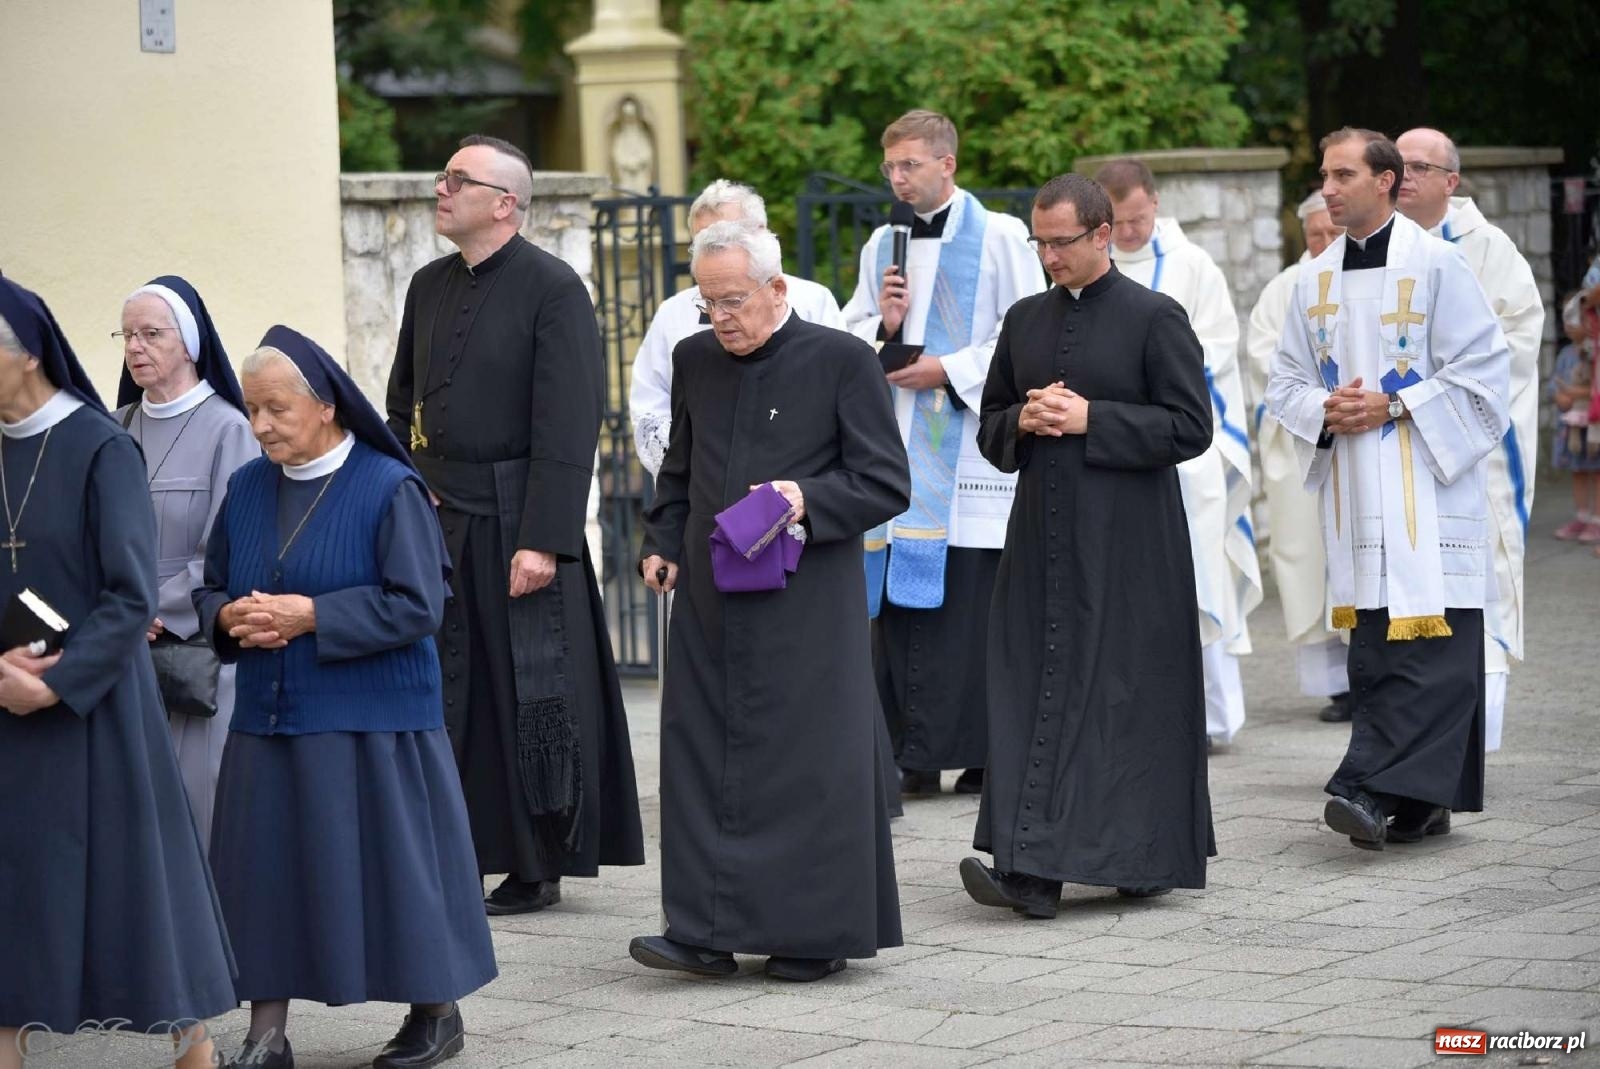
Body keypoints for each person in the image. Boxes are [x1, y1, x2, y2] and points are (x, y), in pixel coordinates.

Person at [198, 325, 497, 1069]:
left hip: (374, 717)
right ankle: (265, 1034)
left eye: (276, 408)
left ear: (326, 405)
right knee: (265, 874)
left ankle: (435, 1010)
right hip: (268, 713)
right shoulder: (245, 487)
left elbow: (418, 603)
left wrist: (313, 614)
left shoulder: (386, 486)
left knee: (395, 874)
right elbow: (211, 586)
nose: (260, 425)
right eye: (252, 409)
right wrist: (228, 617)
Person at [631, 221, 909, 982]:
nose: (721, 317)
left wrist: (804, 496)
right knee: (701, 758)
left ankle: (811, 933)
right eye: (707, 302)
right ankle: (702, 929)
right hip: (711, 603)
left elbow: (887, 482)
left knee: (804, 766)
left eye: (733, 300)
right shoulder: (694, 360)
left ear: (776, 289)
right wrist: (659, 541)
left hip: (805, 606)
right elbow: (678, 472)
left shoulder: (843, 361)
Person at [385, 134, 645, 916]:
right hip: (439, 512)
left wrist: (544, 537)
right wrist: (406, 484)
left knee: (528, 689)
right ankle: (457, 843)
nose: (440, 189)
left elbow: (569, 424)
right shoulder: (428, 285)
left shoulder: (554, 288)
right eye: (442, 176)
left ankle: (537, 859)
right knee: (451, 690)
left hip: (516, 517)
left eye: (456, 179)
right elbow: (402, 404)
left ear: (504, 203)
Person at [961, 174, 1215, 920]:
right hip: (1040, 537)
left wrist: (1091, 420)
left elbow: (1188, 427)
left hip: (1131, 547)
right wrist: (1027, 422)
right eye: (1039, 242)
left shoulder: (1155, 316)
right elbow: (991, 428)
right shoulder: (1024, 319)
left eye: (1061, 242)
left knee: (1122, 698)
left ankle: (1137, 858)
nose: (1047, 257)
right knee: (1031, 685)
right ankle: (1027, 865)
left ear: (1103, 235)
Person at [0, 277, 233, 1069]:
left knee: (132, 881)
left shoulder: (100, 445)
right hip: (4, 698)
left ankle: (191, 1041)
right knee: (13, 880)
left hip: (94, 704)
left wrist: (57, 682)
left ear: (26, 353)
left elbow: (132, 595)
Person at [1266, 128, 1510, 851]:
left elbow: (1486, 376)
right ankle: (1421, 804)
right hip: (1356, 497)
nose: (1329, 188)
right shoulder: (1310, 280)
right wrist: (1324, 409)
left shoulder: (1438, 266)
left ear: (1387, 181)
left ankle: (1364, 790)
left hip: (1428, 495)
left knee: (1431, 661)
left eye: (1342, 174)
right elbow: (1284, 382)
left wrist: (1396, 405)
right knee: (1375, 653)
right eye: (1324, 175)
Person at [842, 109, 1045, 795]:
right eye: (889, 167)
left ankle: (983, 753)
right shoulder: (882, 244)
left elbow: (1026, 333)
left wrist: (949, 369)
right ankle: (913, 753)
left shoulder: (1001, 237)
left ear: (947, 164)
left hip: (969, 454)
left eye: (909, 165)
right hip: (900, 447)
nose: (896, 178)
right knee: (899, 611)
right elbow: (850, 331)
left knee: (971, 605)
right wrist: (884, 327)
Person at [1097, 158, 1262, 748]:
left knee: (1196, 577)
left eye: (1138, 219)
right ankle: (1133, 713)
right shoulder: (1087, 265)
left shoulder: (1193, 267)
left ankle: (1212, 719)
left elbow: (1217, 348)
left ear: (1155, 205)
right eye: (1117, 223)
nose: (1130, 233)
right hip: (1112, 442)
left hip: (1183, 452)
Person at [1396, 127, 1546, 753]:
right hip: (1399, 445)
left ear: (1450, 182)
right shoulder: (1381, 247)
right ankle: (1412, 732)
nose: (1402, 176)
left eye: (1418, 167)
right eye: (1395, 165)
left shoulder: (1489, 249)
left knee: (1479, 579)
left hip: (1469, 447)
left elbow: (1514, 341)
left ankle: (1476, 741)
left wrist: (1431, 391)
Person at [112, 275, 258, 849]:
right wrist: (118, 606)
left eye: (151, 333)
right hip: (119, 637)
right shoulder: (113, 424)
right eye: (126, 335)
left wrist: (157, 609)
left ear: (190, 343)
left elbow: (225, 546)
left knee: (198, 805)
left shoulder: (230, 428)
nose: (135, 348)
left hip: (190, 646)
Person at [631, 179, 845, 477]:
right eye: (701, 241)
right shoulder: (672, 313)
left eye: (725, 237)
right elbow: (650, 403)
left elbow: (832, 392)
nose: (711, 251)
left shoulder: (812, 300)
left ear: (760, 235)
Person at [1245, 194, 1352, 722]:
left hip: (1357, 435)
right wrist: (1314, 397)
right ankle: (1337, 685)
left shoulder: (1367, 277)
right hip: (1302, 440)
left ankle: (1375, 672)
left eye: (1333, 233)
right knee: (1307, 557)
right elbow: (1261, 351)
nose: (1325, 244)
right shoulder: (1285, 287)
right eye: (1314, 236)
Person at [1550, 295, 1600, 540]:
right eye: (1565, 319)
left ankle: (1597, 519)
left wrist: (1576, 393)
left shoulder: (1595, 352)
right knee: (1578, 470)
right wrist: (1559, 396)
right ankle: (1581, 516)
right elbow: (1554, 383)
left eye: (1575, 319)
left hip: (1592, 423)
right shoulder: (1565, 354)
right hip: (1572, 425)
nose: (1569, 324)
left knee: (1597, 470)